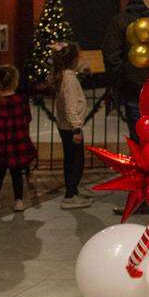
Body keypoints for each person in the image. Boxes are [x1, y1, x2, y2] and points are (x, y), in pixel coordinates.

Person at [0, 65, 36, 213]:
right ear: (14, 81)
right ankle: (18, 200)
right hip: (17, 143)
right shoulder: (21, 100)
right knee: (16, 173)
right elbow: (28, 119)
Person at [103, 0, 149, 141]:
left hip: (133, 86)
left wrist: (121, 77)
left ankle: (140, 163)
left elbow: (111, 54)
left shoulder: (121, 20)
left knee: (138, 134)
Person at [52, 42, 92, 209]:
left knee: (71, 159)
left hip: (65, 126)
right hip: (71, 128)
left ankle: (73, 191)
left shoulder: (63, 75)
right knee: (76, 161)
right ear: (73, 59)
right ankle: (70, 195)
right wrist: (76, 127)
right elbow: (70, 105)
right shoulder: (68, 79)